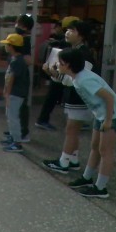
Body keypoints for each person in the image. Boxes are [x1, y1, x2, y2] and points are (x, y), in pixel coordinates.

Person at [58, 47, 116, 199]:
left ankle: (101, 188)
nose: (58, 65)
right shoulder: (76, 77)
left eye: (60, 62)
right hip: (101, 114)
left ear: (68, 65)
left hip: (113, 114)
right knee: (95, 146)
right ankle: (87, 178)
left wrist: (108, 120)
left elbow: (109, 97)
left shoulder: (84, 80)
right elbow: (63, 80)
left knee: (105, 151)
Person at [42, 20, 94, 173]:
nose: (67, 32)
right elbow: (67, 79)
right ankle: (73, 160)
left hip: (80, 98)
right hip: (74, 97)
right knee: (73, 130)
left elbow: (76, 80)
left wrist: (54, 73)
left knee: (71, 130)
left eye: (72, 30)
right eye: (67, 29)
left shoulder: (84, 54)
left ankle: (64, 162)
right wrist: (52, 73)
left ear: (81, 35)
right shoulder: (74, 51)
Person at [35, 17, 76, 130]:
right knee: (55, 97)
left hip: (57, 72)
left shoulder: (57, 40)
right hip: (61, 73)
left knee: (52, 97)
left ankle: (43, 119)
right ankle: (43, 119)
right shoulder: (66, 43)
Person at [0, 33, 29, 152]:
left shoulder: (17, 61)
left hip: (15, 94)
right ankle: (13, 138)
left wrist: (7, 93)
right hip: (14, 93)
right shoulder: (17, 59)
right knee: (10, 116)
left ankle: (17, 143)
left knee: (13, 117)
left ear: (12, 46)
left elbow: (11, 78)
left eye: (7, 44)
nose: (6, 47)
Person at [14, 14, 34, 141]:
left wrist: (18, 57)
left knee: (21, 104)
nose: (16, 26)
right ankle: (15, 129)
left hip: (21, 76)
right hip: (16, 74)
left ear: (26, 27)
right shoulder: (19, 39)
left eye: (19, 24)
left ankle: (23, 132)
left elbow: (28, 60)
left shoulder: (25, 40)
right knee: (15, 104)